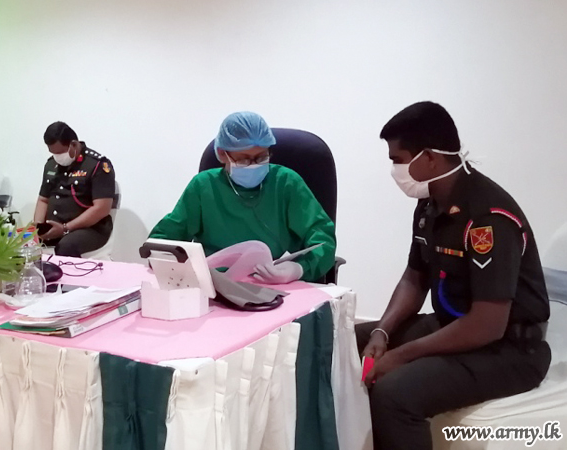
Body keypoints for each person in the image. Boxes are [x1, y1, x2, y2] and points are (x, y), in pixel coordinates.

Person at [356, 101, 551, 450]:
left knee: (393, 394)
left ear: (429, 158)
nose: (394, 170)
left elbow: (487, 325)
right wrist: (382, 332)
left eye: (398, 160)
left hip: (511, 349)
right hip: (453, 325)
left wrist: (403, 354)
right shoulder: (430, 203)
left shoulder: (488, 218)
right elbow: (414, 277)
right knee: (347, 341)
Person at [149, 111, 336, 283]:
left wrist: (298, 269)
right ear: (222, 154)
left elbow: (322, 240)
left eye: (261, 157)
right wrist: (170, 265)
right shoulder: (204, 186)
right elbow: (163, 241)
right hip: (214, 285)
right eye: (244, 159)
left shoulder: (286, 183)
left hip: (271, 283)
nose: (253, 165)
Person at [34, 121, 116, 257]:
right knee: (23, 243)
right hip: (56, 228)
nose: (57, 158)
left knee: (66, 246)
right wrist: (37, 228)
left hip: (90, 229)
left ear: (73, 144)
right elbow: (43, 200)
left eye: (60, 153)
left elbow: (102, 208)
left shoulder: (97, 165)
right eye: (53, 153)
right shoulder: (51, 165)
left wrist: (65, 228)